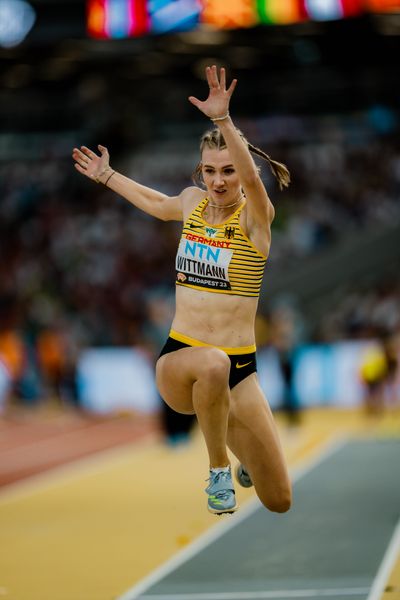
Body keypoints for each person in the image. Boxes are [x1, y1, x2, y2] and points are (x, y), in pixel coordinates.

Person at [72, 65, 292, 516]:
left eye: (228, 170)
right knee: (211, 362)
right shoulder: (192, 203)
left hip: (241, 369)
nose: (218, 181)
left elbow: (253, 182)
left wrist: (224, 121)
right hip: (181, 360)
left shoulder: (255, 220)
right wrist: (107, 176)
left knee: (279, 500)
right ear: (200, 172)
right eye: (209, 171)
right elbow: (157, 202)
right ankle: (217, 472)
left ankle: (243, 457)